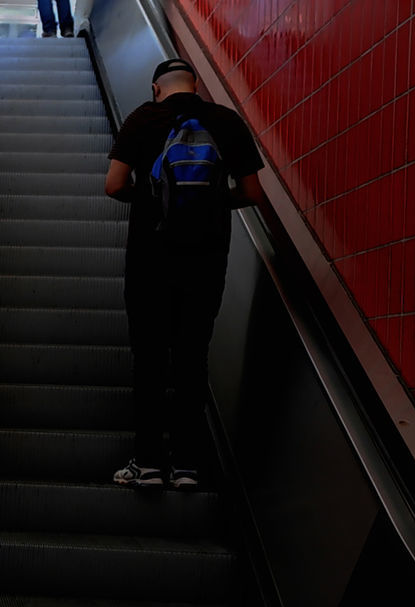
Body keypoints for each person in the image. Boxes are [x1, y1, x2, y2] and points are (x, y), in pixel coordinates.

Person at [104, 58, 265, 489]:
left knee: (150, 359)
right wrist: (211, 204)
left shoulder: (142, 118)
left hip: (150, 260)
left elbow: (115, 185)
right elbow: (252, 193)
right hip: (207, 260)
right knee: (192, 358)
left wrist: (154, 200)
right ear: (196, 85)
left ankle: (149, 463)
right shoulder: (226, 122)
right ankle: (189, 466)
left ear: (157, 87)